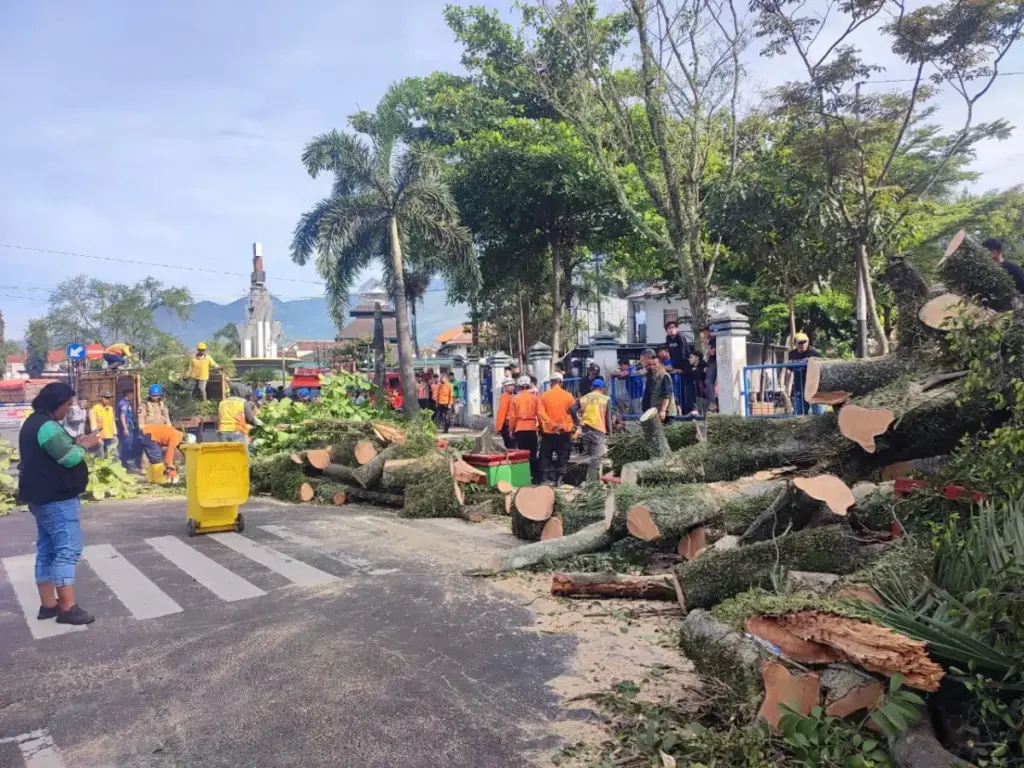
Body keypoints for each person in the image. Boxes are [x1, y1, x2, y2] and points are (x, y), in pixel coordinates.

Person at [18, 381, 100, 625]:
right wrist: (85, 445)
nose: (69, 409)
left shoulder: (32, 423)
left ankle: (49, 605)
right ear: (57, 404)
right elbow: (67, 458)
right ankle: (67, 608)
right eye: (68, 404)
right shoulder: (47, 427)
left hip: (40, 496)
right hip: (56, 498)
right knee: (67, 550)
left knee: (47, 549)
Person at [538, 372, 578, 485]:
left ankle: (544, 479)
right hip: (564, 431)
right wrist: (565, 426)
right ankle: (559, 480)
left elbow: (540, 413)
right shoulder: (568, 396)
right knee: (563, 455)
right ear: (561, 382)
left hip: (549, 431)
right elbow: (573, 413)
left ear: (551, 382)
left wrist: (551, 424)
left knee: (545, 455)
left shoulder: (544, 396)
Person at [572, 377, 611, 481]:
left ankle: (583, 480)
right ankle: (593, 484)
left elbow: (571, 409)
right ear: (602, 389)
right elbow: (608, 418)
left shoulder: (584, 398)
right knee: (596, 460)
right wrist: (610, 434)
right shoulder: (606, 399)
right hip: (599, 431)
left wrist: (577, 422)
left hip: (585, 431)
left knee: (588, 456)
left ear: (591, 387)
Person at [509, 375, 541, 483]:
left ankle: (524, 477)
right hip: (532, 428)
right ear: (529, 386)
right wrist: (541, 428)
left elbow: (512, 416)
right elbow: (540, 414)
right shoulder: (535, 398)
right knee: (533, 454)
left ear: (519, 386)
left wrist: (511, 429)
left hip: (519, 429)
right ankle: (536, 478)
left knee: (522, 455)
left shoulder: (515, 398)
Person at [788, 333, 822, 415]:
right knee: (800, 412)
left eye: (805, 342)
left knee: (818, 412)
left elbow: (821, 365)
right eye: (800, 342)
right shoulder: (792, 354)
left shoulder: (813, 352)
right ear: (795, 344)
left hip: (814, 386)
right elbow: (790, 368)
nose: (802, 345)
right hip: (799, 385)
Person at [641, 350, 675, 423]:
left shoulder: (665, 376)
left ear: (660, 365)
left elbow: (667, 395)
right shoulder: (653, 376)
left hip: (666, 413)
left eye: (654, 365)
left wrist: (663, 410)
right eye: (651, 365)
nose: (652, 367)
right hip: (656, 411)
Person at [116, 388, 141, 472]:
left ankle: (125, 463)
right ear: (128, 394)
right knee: (126, 445)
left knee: (126, 445)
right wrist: (125, 428)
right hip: (127, 427)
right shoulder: (124, 404)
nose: (133, 396)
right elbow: (122, 416)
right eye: (131, 394)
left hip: (128, 427)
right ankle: (124, 464)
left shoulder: (125, 403)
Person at [89, 390, 116, 458]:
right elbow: (93, 424)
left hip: (110, 436)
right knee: (100, 457)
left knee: (113, 456)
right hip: (100, 437)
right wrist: (97, 437)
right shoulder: (94, 410)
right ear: (100, 398)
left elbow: (113, 422)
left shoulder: (110, 409)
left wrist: (115, 434)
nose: (108, 400)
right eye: (106, 398)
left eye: (109, 398)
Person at [495, 377, 517, 448]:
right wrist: (498, 427)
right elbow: (501, 413)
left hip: (514, 424)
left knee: (513, 445)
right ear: (505, 387)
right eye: (510, 385)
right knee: (511, 446)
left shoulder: (514, 396)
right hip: (507, 425)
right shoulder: (505, 397)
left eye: (513, 385)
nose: (512, 387)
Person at [701, 326, 718, 412]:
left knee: (708, 381)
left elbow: (712, 353)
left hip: (714, 362)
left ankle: (713, 403)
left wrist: (705, 344)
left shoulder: (715, 339)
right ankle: (712, 401)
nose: (703, 335)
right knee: (706, 382)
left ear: (708, 331)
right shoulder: (711, 340)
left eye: (704, 333)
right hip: (711, 363)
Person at [686, 351, 707, 415]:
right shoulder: (690, 367)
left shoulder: (704, 365)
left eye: (691, 357)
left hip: (704, 393)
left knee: (704, 412)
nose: (689, 359)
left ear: (697, 358)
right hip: (697, 393)